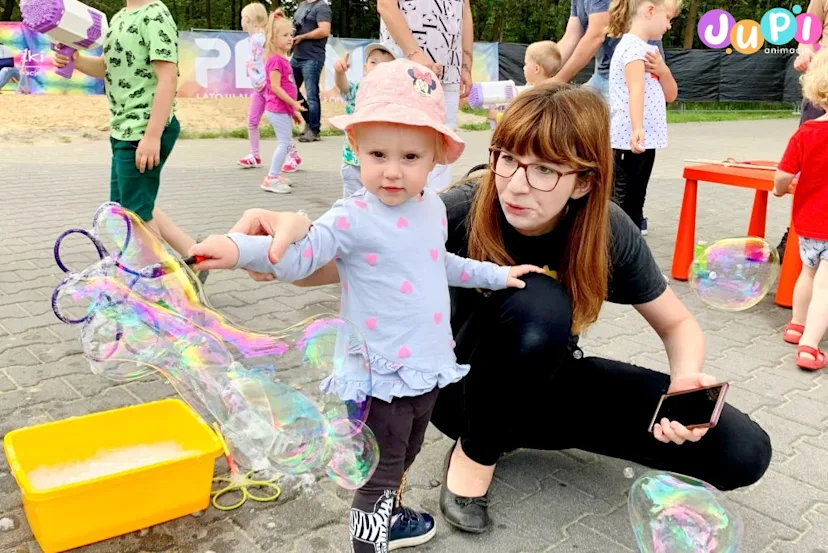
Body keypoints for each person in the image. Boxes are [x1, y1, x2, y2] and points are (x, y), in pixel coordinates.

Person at [227, 83, 773, 536]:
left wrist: (685, 383)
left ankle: (514, 431)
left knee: (743, 451)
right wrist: (280, 253)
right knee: (538, 302)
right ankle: (474, 457)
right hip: (458, 389)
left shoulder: (607, 231)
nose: (515, 183)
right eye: (508, 159)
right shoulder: (460, 207)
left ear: (583, 181)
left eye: (543, 170)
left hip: (545, 380)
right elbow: (340, 261)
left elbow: (677, 324)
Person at [189, 58, 544, 552]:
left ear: (437, 156)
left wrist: (495, 274)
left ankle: (391, 521)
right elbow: (298, 252)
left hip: (426, 367)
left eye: (411, 157)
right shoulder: (352, 215)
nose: (393, 171)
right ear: (355, 149)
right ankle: (368, 545)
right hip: (378, 377)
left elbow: (437, 263)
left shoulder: (433, 208)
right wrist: (234, 249)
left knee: (404, 455)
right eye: (378, 153)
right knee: (377, 475)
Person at [53, 0, 205, 280]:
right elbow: (105, 68)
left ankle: (167, 285)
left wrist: (152, 136)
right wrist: (76, 61)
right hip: (124, 129)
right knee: (130, 204)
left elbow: (168, 79)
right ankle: (194, 255)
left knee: (134, 215)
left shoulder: (155, 14)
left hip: (143, 130)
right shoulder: (119, 18)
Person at [377, 0, 474, 192]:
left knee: (441, 147)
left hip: (449, 70)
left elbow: (465, 9)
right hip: (405, 67)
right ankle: (395, 210)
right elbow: (385, 5)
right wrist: (414, 53)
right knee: (399, 142)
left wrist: (466, 64)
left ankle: (435, 209)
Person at [774, 48, 828, 371]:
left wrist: (779, 190)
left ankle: (796, 324)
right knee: (826, 284)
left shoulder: (806, 132)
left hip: (807, 223)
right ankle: (809, 345)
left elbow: (782, 176)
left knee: (807, 273)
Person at [607, 0, 678, 236]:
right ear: (649, 11)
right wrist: (637, 129)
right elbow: (635, 89)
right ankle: (620, 250)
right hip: (630, 140)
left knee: (636, 200)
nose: (669, 26)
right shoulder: (633, 48)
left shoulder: (651, 52)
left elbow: (671, 95)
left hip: (644, 140)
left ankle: (629, 249)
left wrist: (663, 71)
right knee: (624, 203)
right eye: (668, 18)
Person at [776, 0, 828, 262]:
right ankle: (798, 233)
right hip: (825, 81)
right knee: (809, 165)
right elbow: (808, 32)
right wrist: (805, 50)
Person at [551, 0, 666, 102]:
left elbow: (595, 37)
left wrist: (558, 80)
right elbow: (571, 36)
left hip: (632, 77)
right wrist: (543, 69)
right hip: (603, 75)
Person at [237, 2, 302, 173]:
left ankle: (292, 155)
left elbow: (274, 47)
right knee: (252, 121)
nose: (241, 21)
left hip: (267, 87)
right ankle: (255, 155)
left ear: (249, 19)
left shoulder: (261, 37)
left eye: (243, 18)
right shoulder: (253, 38)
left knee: (280, 126)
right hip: (259, 88)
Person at [333, 43, 396, 199]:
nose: (378, 67)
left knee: (376, 205)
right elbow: (344, 87)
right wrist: (339, 72)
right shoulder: (359, 89)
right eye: (373, 62)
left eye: (385, 65)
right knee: (353, 206)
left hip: (380, 165)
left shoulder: (395, 96)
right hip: (354, 163)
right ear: (365, 67)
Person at [259, 10, 306, 194]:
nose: (290, 38)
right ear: (273, 39)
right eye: (285, 35)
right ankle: (271, 178)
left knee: (286, 142)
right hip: (276, 108)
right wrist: (293, 104)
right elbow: (276, 88)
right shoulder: (275, 61)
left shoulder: (283, 59)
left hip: (282, 109)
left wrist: (292, 111)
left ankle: (276, 174)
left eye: (291, 35)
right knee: (285, 143)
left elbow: (286, 87)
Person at [486, 40, 562, 126]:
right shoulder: (553, 91)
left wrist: (497, 116)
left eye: (526, 64)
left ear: (536, 69)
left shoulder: (536, 95)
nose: (523, 68)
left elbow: (523, 120)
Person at [291, 0, 332, 143]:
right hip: (297, 56)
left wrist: (303, 37)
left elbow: (324, 30)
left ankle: (314, 130)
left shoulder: (322, 7)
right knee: (290, 88)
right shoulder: (302, 5)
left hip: (312, 57)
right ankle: (309, 121)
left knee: (312, 94)